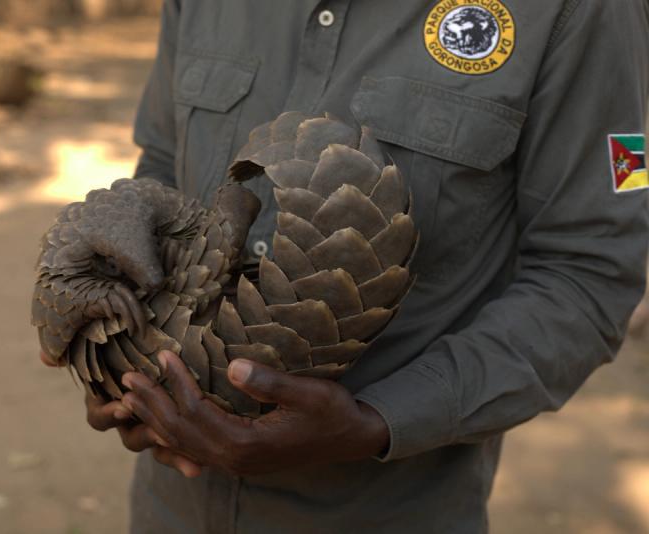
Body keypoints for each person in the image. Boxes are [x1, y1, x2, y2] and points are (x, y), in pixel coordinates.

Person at [44, 1, 649, 532]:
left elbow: (587, 274)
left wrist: (378, 421)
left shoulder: (581, 10)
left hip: (387, 509)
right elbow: (162, 162)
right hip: (171, 506)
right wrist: (122, 368)